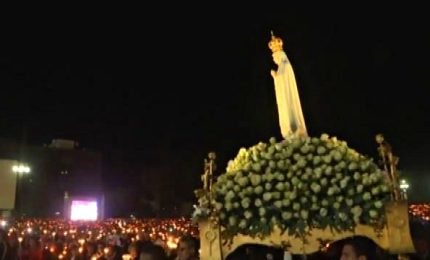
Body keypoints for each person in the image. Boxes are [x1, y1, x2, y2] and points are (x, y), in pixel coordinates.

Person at [268, 32, 308, 139]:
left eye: (274, 57)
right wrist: (276, 77)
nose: (273, 59)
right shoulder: (282, 67)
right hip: (284, 97)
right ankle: (289, 131)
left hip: (288, 97)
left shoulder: (285, 65)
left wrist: (277, 76)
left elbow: (285, 81)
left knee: (290, 111)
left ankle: (296, 129)